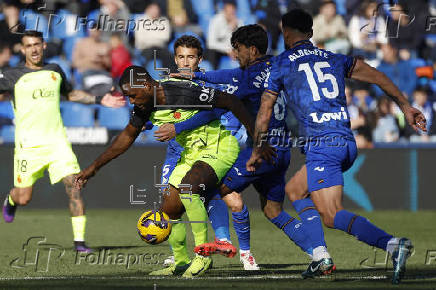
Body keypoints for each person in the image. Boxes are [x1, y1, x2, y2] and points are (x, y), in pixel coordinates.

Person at [247, 9, 426, 283]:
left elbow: (265, 111)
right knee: (295, 190)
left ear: (284, 32)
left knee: (331, 214)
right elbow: (377, 76)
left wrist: (259, 147)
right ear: (311, 32)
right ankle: (320, 256)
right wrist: (405, 106)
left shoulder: (281, 64)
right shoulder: (333, 58)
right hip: (344, 140)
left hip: (322, 143)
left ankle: (392, 245)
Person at [73, 65, 270, 277]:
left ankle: (202, 258)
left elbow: (231, 102)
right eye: (128, 97)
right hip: (191, 153)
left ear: (147, 85)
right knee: (169, 206)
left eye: (133, 95)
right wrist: (93, 168)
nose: (131, 101)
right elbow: (125, 139)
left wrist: (259, 142)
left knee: (189, 190)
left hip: (218, 147)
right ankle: (181, 261)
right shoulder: (144, 106)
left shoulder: (182, 91)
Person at [178, 25, 321, 271]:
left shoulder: (248, 78)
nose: (235, 54)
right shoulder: (277, 67)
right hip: (282, 151)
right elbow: (230, 76)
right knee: (273, 211)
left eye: (238, 49)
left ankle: (223, 241)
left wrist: (179, 127)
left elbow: (221, 104)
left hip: (262, 152)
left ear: (252, 50)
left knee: (211, 187)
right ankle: (320, 254)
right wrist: (198, 76)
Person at [0, 30, 126, 252]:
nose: (34, 49)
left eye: (37, 44)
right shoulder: (11, 75)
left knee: (74, 186)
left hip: (58, 143)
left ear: (44, 45)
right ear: (22, 49)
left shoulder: (55, 71)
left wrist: (99, 99)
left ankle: (80, 243)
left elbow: (71, 95)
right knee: (24, 197)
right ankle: (11, 201)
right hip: (28, 147)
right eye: (29, 46)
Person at [150, 35, 238, 269]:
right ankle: (177, 257)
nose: (185, 62)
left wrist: (177, 127)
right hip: (176, 151)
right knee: (169, 204)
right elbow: (154, 115)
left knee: (207, 194)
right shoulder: (166, 84)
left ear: (199, 59)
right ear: (175, 59)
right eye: (181, 57)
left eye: (191, 57)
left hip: (205, 149)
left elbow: (213, 112)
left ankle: (220, 243)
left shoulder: (208, 85)